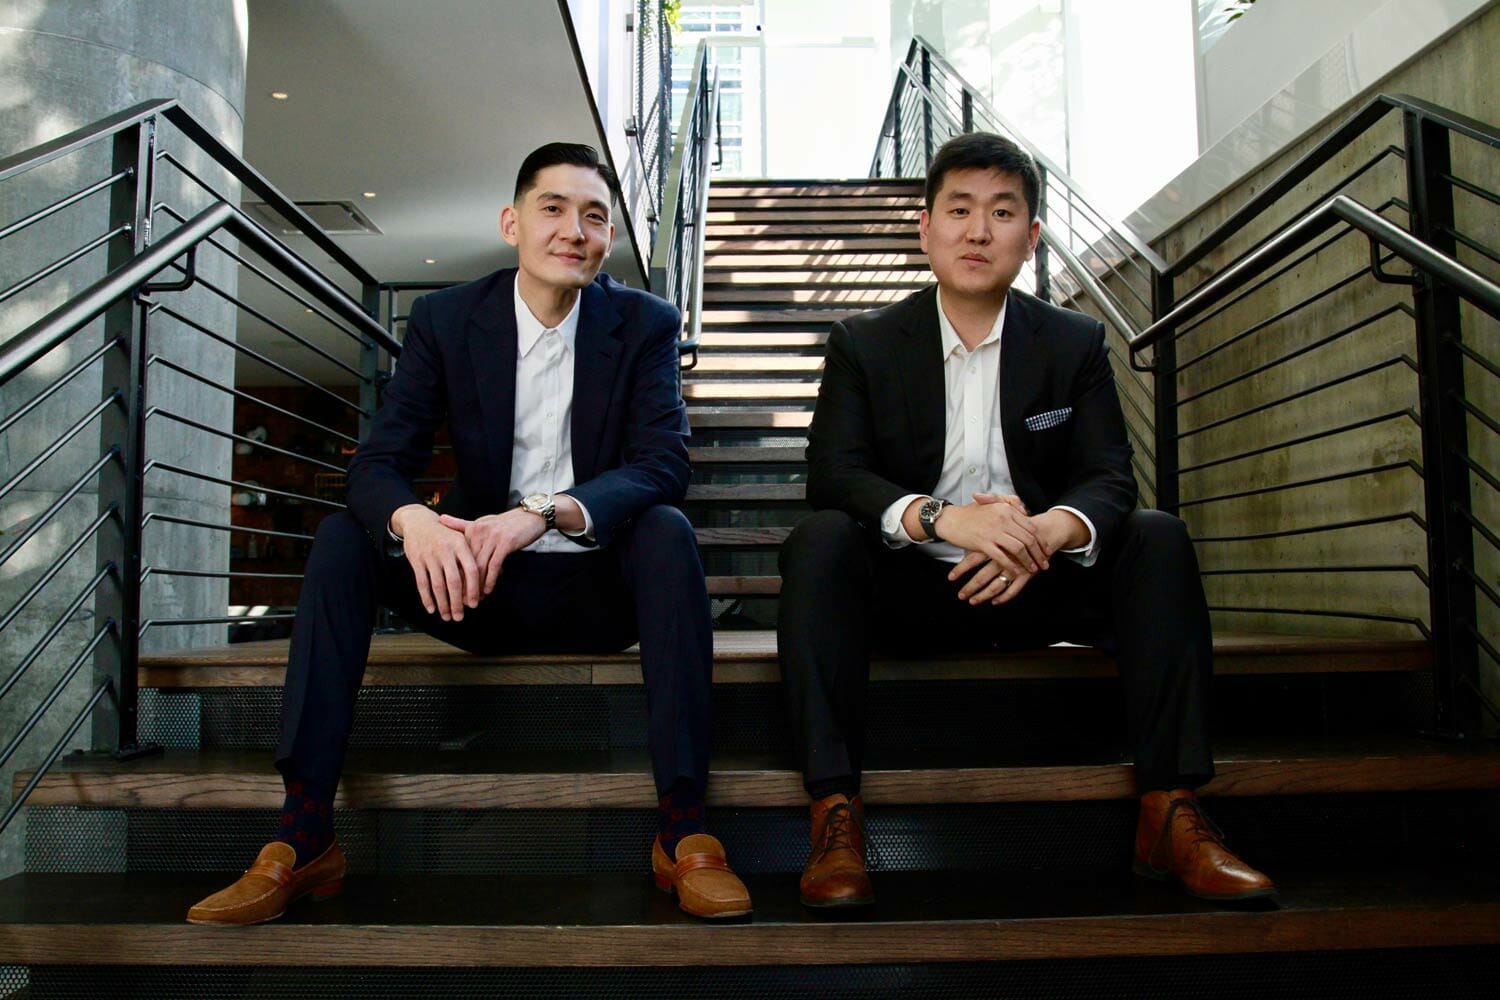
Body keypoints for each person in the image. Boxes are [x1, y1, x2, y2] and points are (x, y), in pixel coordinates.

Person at [187, 142, 750, 925]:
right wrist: (415, 520)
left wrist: (540, 513)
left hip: (598, 589)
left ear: (609, 237)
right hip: (474, 589)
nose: (574, 230)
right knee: (347, 540)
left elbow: (662, 464)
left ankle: (685, 831)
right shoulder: (448, 319)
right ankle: (303, 831)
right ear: (512, 223)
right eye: (553, 209)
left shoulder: (645, 323)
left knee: (667, 530)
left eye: (594, 216)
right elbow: (379, 462)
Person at [777, 132, 1274, 909]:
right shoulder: (864, 345)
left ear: (1031, 237)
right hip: (915, 592)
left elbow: (1109, 476)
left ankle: (1170, 810)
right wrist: (945, 522)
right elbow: (834, 475)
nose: (979, 231)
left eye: (1002, 213)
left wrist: (1047, 532)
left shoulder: (1073, 341)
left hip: (1039, 584)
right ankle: (835, 813)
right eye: (961, 210)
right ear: (926, 227)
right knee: (819, 543)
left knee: (1157, 535)